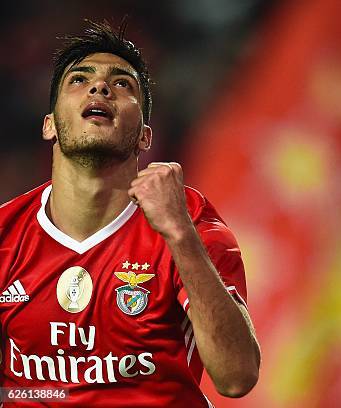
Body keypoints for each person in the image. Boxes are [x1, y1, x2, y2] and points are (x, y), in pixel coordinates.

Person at [0, 20, 260, 407]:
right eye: (78, 80)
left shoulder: (190, 222)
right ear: (49, 126)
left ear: (144, 135)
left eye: (122, 84)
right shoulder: (6, 233)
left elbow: (237, 376)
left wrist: (179, 235)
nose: (100, 87)